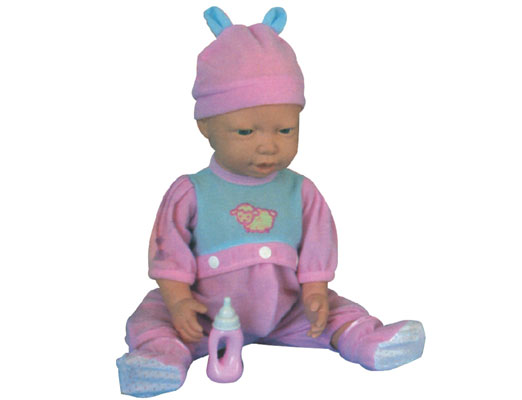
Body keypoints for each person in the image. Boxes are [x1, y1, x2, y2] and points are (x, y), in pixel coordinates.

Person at [116, 7, 425, 397]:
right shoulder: (191, 191)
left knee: (335, 310)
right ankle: (160, 358)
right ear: (205, 125)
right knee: (151, 317)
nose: (268, 145)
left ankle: (365, 340)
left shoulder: (301, 191)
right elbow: (168, 253)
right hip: (203, 313)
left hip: (288, 309)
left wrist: (315, 291)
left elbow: (317, 246)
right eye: (246, 131)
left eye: (285, 129)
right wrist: (178, 301)